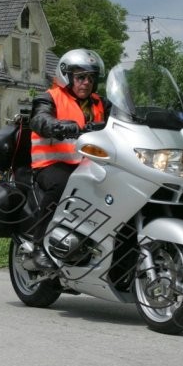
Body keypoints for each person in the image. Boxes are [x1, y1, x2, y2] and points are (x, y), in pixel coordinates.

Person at [29, 48, 109, 269]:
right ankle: (39, 246)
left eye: (91, 78)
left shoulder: (100, 103)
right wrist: (57, 125)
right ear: (67, 76)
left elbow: (126, 119)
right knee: (62, 185)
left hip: (89, 166)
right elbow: (39, 119)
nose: (86, 82)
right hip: (51, 165)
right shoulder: (49, 97)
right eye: (80, 77)